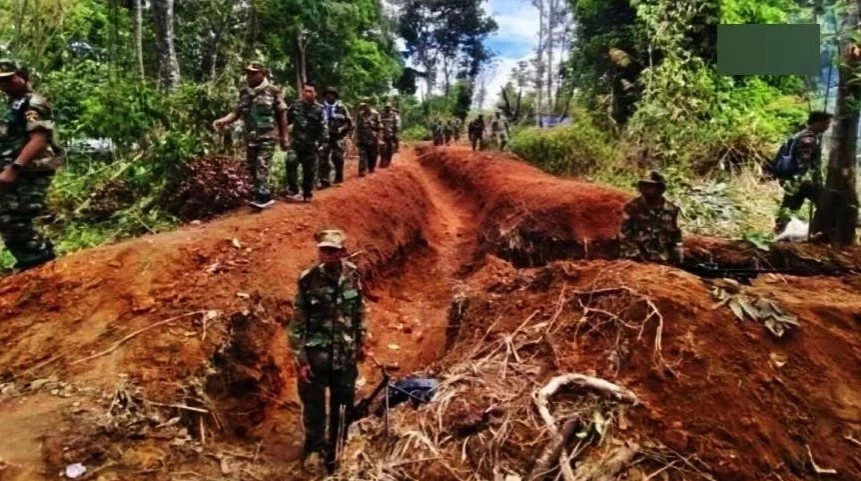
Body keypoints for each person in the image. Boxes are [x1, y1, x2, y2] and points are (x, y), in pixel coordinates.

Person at [289, 229, 366, 474]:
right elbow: (298, 323)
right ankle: (314, 448)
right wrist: (301, 360)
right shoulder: (308, 279)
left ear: (342, 252)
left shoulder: (353, 275)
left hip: (344, 356)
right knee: (313, 407)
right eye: (324, 249)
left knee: (342, 406)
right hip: (316, 358)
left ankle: (337, 449)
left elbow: (359, 311)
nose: (327, 254)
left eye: (332, 250)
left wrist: (362, 341)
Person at [0, 59, 63, 271]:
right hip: (18, 171)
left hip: (31, 171)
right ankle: (34, 263)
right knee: (7, 218)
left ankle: (40, 262)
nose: (5, 86)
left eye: (10, 80)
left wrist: (13, 169)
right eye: (2, 82)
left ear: (24, 77)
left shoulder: (34, 103)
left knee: (15, 220)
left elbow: (38, 139)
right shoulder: (15, 103)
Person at [214, 61, 288, 209]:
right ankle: (259, 193)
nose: (250, 76)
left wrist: (284, 137)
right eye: (248, 73)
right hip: (251, 137)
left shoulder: (273, 91)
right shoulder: (244, 93)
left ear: (263, 74)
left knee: (262, 163)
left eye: (254, 73)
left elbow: (282, 114)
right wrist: (223, 121)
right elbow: (236, 112)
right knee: (251, 166)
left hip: (268, 135)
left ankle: (264, 196)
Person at [774, 111, 832, 234]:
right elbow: (803, 162)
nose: (827, 127)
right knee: (826, 201)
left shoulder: (801, 135)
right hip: (799, 180)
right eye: (826, 123)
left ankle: (780, 230)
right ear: (817, 122)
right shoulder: (808, 139)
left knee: (790, 206)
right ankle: (820, 230)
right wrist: (808, 179)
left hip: (792, 179)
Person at [619, 171, 683, 265]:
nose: (647, 189)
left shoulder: (672, 210)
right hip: (636, 260)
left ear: (660, 189)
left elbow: (676, 237)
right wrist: (635, 257)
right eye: (644, 185)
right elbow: (625, 235)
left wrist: (677, 258)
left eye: (651, 186)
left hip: (663, 260)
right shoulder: (632, 207)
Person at [285, 82, 328, 202]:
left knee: (309, 171)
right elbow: (286, 121)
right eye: (305, 90)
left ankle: (307, 193)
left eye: (310, 91)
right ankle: (293, 190)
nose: (307, 93)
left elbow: (323, 127)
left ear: (315, 93)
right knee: (290, 161)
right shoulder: (296, 105)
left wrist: (323, 143)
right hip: (296, 144)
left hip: (310, 146)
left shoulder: (319, 109)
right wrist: (283, 136)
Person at [319, 87, 353, 187]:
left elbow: (349, 122)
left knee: (337, 157)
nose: (329, 96)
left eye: (332, 94)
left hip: (338, 137)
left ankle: (338, 177)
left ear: (335, 96)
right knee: (323, 157)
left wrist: (342, 129)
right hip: (325, 136)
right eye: (327, 94)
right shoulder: (321, 107)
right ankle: (324, 180)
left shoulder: (342, 107)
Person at [354, 98, 381, 177]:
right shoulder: (360, 114)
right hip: (362, 137)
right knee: (362, 155)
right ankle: (362, 170)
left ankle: (371, 167)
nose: (364, 107)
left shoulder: (375, 114)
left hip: (372, 138)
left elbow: (379, 126)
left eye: (365, 105)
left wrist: (379, 137)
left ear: (369, 104)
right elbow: (358, 126)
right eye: (363, 105)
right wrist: (356, 137)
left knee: (372, 155)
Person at [379, 103, 400, 168]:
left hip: (391, 134)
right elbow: (379, 122)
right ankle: (382, 162)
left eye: (388, 107)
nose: (387, 109)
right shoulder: (382, 114)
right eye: (386, 107)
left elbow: (397, 124)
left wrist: (395, 131)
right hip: (382, 134)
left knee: (390, 149)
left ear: (390, 108)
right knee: (382, 149)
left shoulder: (394, 115)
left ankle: (388, 161)